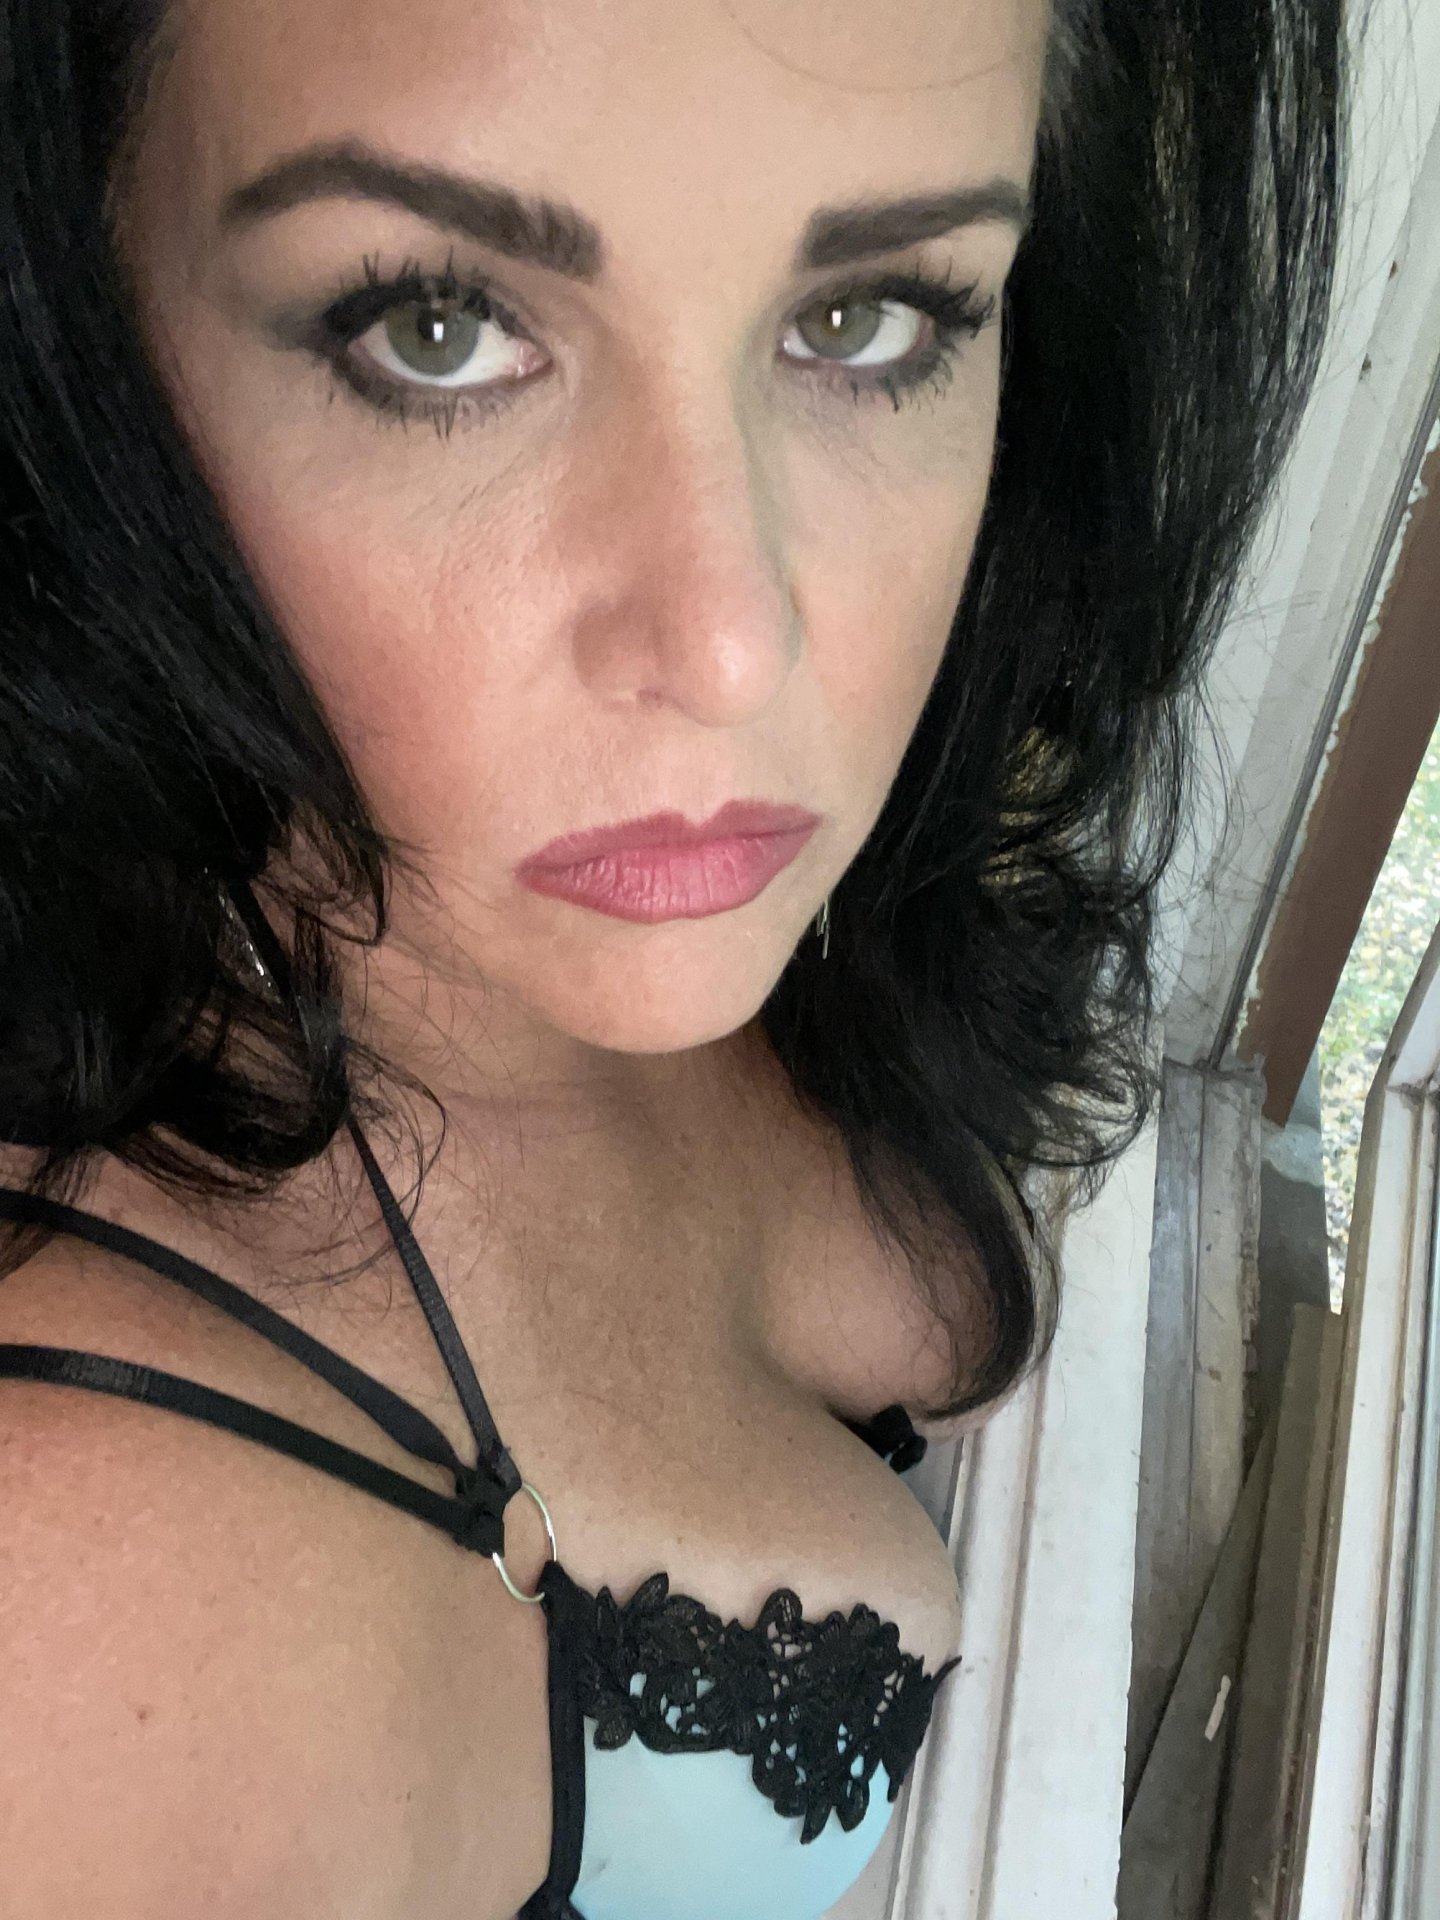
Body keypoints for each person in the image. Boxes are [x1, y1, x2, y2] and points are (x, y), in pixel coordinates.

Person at [0, 0, 1343, 1914]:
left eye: (869, 318)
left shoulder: (840, 883)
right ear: (70, 306)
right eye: (436, 329)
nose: (731, 644)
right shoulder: (83, 1616)